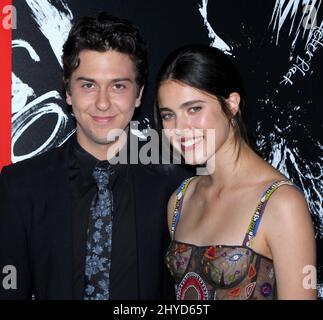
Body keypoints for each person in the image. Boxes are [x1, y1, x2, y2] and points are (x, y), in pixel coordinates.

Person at [0, 12, 190, 300]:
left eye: (118, 86)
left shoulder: (177, 185)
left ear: (138, 95)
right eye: (88, 85)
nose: (102, 103)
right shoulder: (20, 185)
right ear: (68, 92)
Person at [155, 44, 317, 300]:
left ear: (231, 105)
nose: (180, 128)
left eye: (194, 109)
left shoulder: (281, 204)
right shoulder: (180, 200)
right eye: (168, 115)